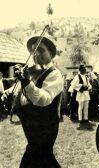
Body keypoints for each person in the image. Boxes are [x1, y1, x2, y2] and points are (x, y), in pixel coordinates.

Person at [3, 36, 64, 168]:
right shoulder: (31, 72)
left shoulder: (55, 74)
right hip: (30, 125)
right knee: (45, 160)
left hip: (45, 127)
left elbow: (43, 99)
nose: (36, 53)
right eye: (33, 50)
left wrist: (26, 82)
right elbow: (18, 89)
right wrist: (7, 94)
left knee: (31, 159)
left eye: (41, 50)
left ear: (51, 53)